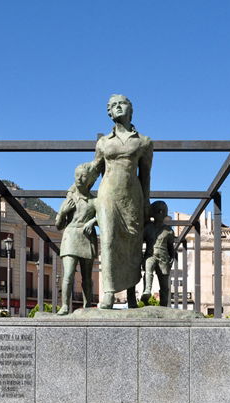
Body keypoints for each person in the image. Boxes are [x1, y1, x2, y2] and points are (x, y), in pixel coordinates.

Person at [90, 94, 153, 309]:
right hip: (107, 195)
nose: (117, 107)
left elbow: (145, 176)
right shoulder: (103, 143)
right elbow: (93, 171)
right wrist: (77, 193)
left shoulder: (144, 142)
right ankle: (108, 292)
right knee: (107, 241)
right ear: (109, 113)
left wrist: (146, 203)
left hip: (133, 196)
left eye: (121, 104)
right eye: (112, 106)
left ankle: (131, 294)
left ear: (131, 109)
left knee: (132, 243)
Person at [55, 162, 98, 315]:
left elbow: (104, 218)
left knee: (87, 277)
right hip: (71, 237)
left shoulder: (95, 201)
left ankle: (87, 306)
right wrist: (64, 212)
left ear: (90, 179)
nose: (79, 178)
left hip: (87, 239)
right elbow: (58, 225)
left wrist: (93, 221)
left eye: (83, 176)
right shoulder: (70, 199)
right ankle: (65, 305)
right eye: (77, 175)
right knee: (68, 274)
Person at [140, 201, 175, 307]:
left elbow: (170, 247)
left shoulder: (169, 231)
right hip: (150, 255)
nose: (160, 213)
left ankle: (164, 303)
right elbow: (139, 242)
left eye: (162, 211)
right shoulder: (147, 228)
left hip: (163, 258)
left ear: (165, 214)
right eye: (157, 211)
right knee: (148, 269)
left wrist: (172, 257)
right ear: (153, 213)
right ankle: (147, 291)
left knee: (164, 283)